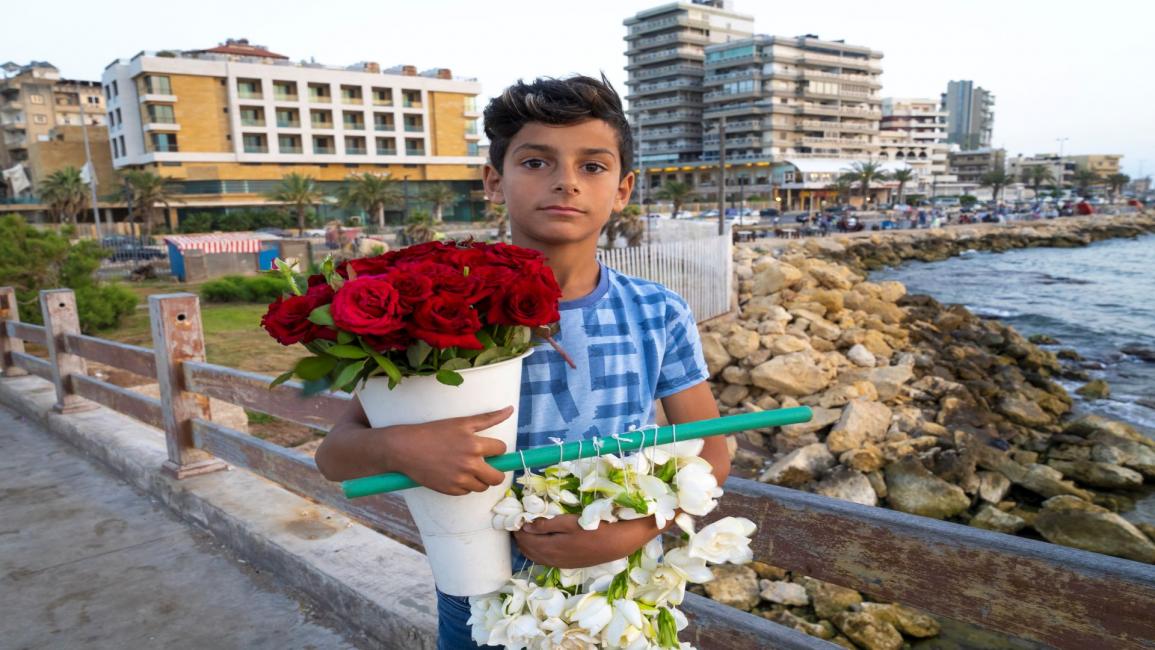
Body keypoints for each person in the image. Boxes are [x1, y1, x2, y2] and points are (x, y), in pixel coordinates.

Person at [312, 75, 728, 649]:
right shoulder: (439, 312)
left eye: (593, 166)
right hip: (477, 591)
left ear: (624, 187)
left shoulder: (659, 312)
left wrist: (638, 525)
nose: (565, 182)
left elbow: (710, 448)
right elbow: (335, 455)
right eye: (535, 162)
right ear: (493, 179)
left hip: (618, 593)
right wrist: (400, 447)